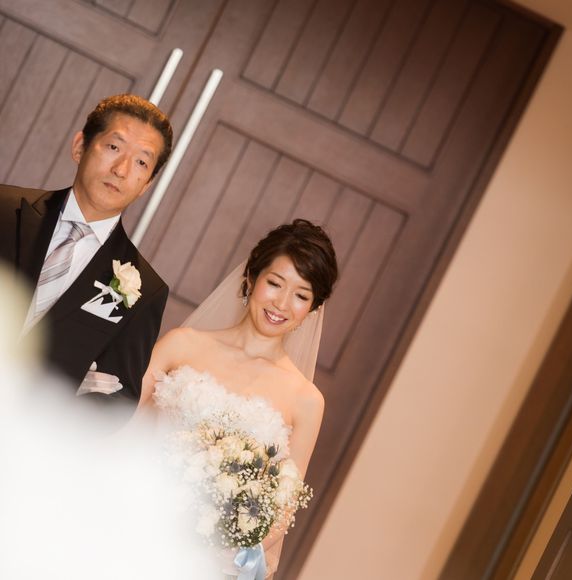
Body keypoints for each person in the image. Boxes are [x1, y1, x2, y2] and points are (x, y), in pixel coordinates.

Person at [138, 219, 338, 578]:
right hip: (133, 519)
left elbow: (283, 508)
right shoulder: (181, 345)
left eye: (301, 295)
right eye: (275, 283)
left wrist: (218, 549)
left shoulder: (306, 400)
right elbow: (122, 423)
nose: (282, 303)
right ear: (251, 277)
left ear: (312, 308)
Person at [0, 94, 173, 407]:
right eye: (114, 147)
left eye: (141, 162)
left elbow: (117, 403)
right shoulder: (3, 208)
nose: (121, 169)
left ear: (146, 184)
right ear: (80, 146)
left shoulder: (147, 291)